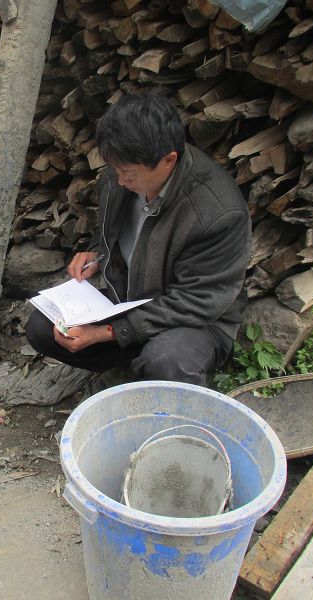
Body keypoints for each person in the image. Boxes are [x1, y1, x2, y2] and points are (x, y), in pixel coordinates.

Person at [25, 93, 251, 387]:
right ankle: (133, 366)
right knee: (43, 327)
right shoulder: (123, 172)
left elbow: (198, 301)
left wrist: (106, 333)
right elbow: (119, 235)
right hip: (129, 302)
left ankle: (153, 373)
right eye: (116, 170)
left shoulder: (218, 212)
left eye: (128, 173)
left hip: (192, 321)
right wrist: (97, 254)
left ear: (168, 160)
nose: (119, 181)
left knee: (167, 362)